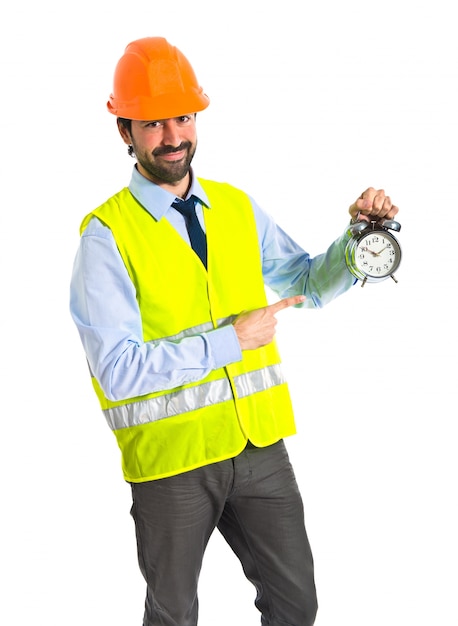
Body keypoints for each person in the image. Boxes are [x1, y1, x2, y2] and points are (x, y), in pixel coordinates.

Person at [69, 37, 399, 626]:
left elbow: (307, 282)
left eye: (183, 117)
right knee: (174, 617)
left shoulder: (235, 207)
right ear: (125, 131)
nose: (173, 136)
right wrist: (230, 341)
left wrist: (357, 241)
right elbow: (115, 370)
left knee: (296, 605)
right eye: (152, 123)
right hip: (173, 463)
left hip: (258, 448)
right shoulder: (106, 236)